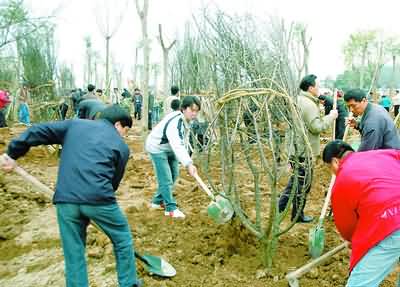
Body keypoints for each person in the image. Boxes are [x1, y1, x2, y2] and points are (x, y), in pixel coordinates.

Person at [0, 105, 143, 287]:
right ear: (118, 125)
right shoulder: (121, 147)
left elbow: (37, 130)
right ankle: (129, 283)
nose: (125, 135)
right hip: (99, 199)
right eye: (126, 130)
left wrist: (13, 153)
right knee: (122, 238)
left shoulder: (74, 125)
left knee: (74, 252)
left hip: (66, 200)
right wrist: (95, 209)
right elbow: (113, 183)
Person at [322, 140, 400, 287]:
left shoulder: (342, 179)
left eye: (329, 168)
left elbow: (347, 227)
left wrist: (354, 239)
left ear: (335, 162)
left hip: (391, 223)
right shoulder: (384, 154)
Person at [278, 74, 338, 223]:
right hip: (304, 151)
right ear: (311, 88)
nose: (319, 89)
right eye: (317, 86)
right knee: (303, 184)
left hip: (295, 149)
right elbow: (316, 127)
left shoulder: (298, 100)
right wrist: (331, 116)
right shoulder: (309, 105)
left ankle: (281, 206)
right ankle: (297, 215)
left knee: (295, 181)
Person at [145, 96, 200, 219]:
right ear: (184, 109)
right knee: (166, 179)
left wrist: (187, 160)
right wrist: (188, 163)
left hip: (170, 149)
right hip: (157, 148)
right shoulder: (175, 121)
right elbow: (177, 143)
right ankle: (170, 209)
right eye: (192, 110)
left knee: (174, 175)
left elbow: (183, 141)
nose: (194, 113)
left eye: (197, 111)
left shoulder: (187, 121)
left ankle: (157, 202)